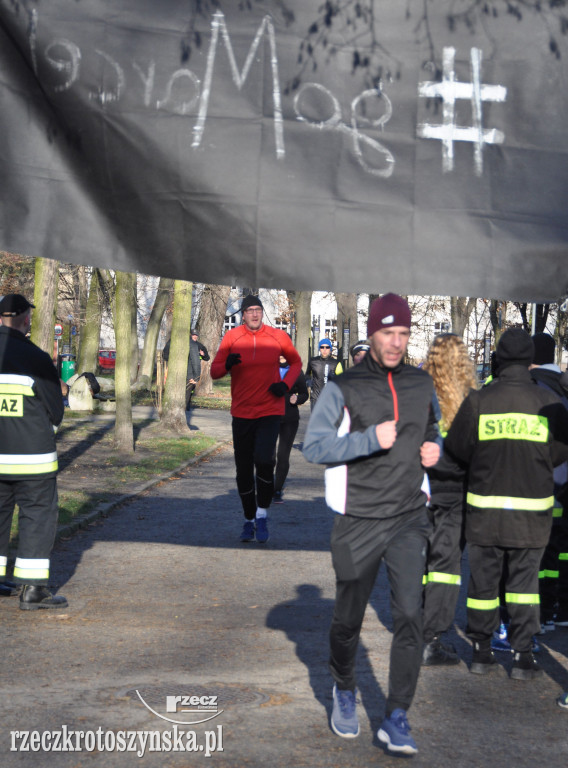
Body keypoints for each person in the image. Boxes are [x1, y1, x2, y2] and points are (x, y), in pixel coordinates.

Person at [303, 293, 441, 756]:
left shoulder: (422, 385)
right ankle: (344, 686)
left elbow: (432, 430)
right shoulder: (344, 386)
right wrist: (365, 440)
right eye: (388, 333)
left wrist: (433, 451)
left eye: (403, 333)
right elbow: (315, 447)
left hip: (407, 517)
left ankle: (397, 714)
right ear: (372, 331)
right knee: (348, 620)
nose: (396, 342)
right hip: (358, 519)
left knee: (409, 614)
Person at [445, 328, 568, 680]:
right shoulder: (548, 404)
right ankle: (523, 656)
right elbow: (560, 451)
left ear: (498, 358)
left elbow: (458, 449)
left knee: (484, 585)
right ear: (530, 361)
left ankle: (482, 653)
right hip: (532, 515)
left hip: (485, 513)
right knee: (525, 585)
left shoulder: (479, 401)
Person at [210, 295, 302, 543]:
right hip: (241, 412)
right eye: (250, 310)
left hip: (270, 411)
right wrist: (227, 363)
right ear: (243, 314)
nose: (254, 314)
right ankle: (249, 518)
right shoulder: (232, 337)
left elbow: (296, 362)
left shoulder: (277, 337)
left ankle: (262, 514)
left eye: (258, 310)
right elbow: (214, 371)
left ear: (262, 313)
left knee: (264, 460)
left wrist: (284, 385)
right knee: (242, 470)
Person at [0, 294, 67, 609]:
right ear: (26, 319)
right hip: (32, 459)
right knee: (37, 516)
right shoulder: (37, 358)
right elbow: (55, 411)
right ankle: (33, 591)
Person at [421, 333, 477, 666]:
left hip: (421, 485)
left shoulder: (419, 393)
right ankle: (433, 637)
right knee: (446, 565)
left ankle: (415, 629)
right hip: (456, 490)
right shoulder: (472, 399)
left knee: (420, 561)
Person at [530, 332, 568, 630]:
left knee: (540, 553)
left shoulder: (536, 388)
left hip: (543, 485)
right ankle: (561, 608)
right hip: (564, 484)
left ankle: (542, 612)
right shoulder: (562, 385)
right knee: (560, 549)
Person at [272, 354, 309, 503]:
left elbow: (305, 393)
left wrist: (298, 399)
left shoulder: (295, 371)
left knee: (282, 455)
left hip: (289, 419)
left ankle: (277, 489)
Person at [305, 338, 343, 410]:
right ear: (319, 349)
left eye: (327, 347)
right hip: (315, 398)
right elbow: (307, 375)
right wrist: (308, 382)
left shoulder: (336, 363)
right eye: (322, 347)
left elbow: (341, 381)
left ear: (330, 349)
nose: (324, 350)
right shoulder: (313, 361)